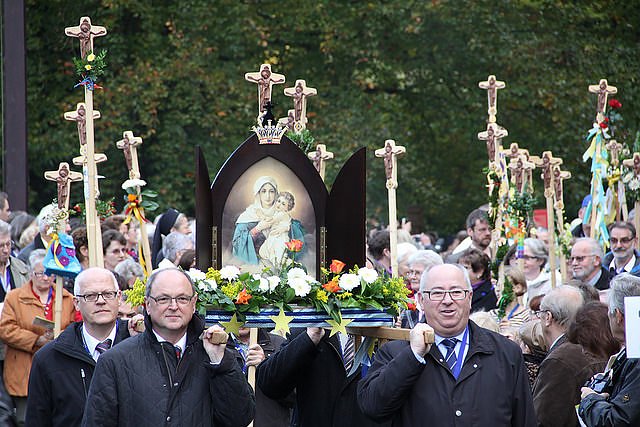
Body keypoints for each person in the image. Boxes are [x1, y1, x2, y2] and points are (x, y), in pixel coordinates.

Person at [357, 264, 535, 426]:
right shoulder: (396, 353)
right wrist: (413, 356)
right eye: (437, 293)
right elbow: (372, 407)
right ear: (421, 300)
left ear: (469, 298)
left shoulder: (506, 353)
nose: (447, 300)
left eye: (456, 292)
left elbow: (525, 419)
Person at [81, 268, 255, 427]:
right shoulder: (115, 361)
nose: (173, 306)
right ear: (147, 305)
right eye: (163, 299)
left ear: (194, 303)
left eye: (182, 299)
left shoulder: (215, 356)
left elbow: (239, 418)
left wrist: (220, 364)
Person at [26, 268, 140, 427]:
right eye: (90, 296)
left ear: (119, 298)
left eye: (108, 294)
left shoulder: (141, 348)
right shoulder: (48, 359)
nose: (100, 301)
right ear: (76, 303)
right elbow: (37, 419)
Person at [0, 250, 77, 425]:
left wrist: (60, 336)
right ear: (30, 273)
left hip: (59, 366)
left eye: (49, 273)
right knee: (26, 418)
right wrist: (36, 340)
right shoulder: (15, 297)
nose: (45, 278)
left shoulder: (66, 297)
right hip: (23, 367)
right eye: (40, 273)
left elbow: (75, 326)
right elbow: (6, 329)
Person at [532, 285, 603, 427]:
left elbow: (544, 419)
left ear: (548, 317)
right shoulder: (595, 345)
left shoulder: (559, 360)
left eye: (540, 313)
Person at [578, 273, 640, 426]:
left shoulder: (637, 358)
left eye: (609, 314)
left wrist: (590, 400)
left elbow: (618, 420)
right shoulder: (630, 352)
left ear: (618, 316)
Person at [232, 177, 304, 266]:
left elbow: (296, 235)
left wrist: (287, 228)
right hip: (255, 264)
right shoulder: (249, 215)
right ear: (258, 193)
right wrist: (257, 229)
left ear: (276, 193)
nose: (268, 196)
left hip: (277, 255)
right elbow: (237, 243)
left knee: (279, 258)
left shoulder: (281, 212)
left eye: (271, 191)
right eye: (263, 191)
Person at [399, 250, 443, 328]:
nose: (412, 277)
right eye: (411, 272)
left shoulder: (442, 301)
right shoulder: (407, 303)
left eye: (418, 273)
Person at [258, 191, 296, 267]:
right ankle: (278, 263)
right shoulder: (277, 213)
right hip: (274, 237)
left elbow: (270, 220)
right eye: (278, 201)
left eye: (283, 204)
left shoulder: (282, 214)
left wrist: (261, 215)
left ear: (287, 208)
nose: (279, 204)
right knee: (264, 252)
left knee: (279, 257)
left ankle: (292, 266)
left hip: (280, 239)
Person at [490, 267, 530, 333]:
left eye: (503, 285)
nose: (497, 289)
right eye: (496, 285)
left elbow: (529, 337)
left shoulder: (526, 316)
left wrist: (512, 330)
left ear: (518, 288)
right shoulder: (491, 315)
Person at [459, 247, 497, 312]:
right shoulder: (459, 289)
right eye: (460, 267)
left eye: (466, 268)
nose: (461, 271)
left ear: (480, 271)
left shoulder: (490, 294)